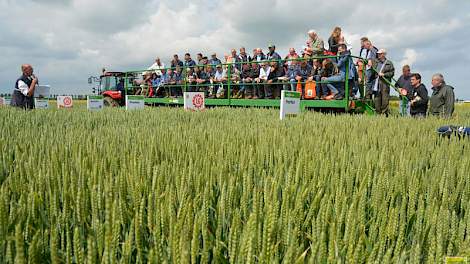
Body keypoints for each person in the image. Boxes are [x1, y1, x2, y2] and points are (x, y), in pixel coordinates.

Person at [371, 49, 395, 116]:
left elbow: (392, 73)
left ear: (383, 54)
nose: (378, 55)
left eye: (380, 54)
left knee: (385, 99)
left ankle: (384, 114)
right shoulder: (376, 62)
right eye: (378, 54)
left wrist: (384, 75)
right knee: (376, 99)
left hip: (384, 83)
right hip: (376, 83)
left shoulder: (389, 63)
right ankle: (378, 113)